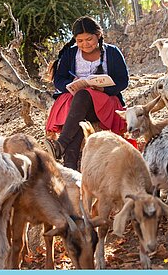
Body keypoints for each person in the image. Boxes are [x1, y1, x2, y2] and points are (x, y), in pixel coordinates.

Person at [45, 16, 129, 170]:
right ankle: (70, 167)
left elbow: (123, 81)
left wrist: (104, 89)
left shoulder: (112, 52)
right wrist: (70, 85)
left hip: (105, 103)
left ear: (98, 35)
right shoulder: (70, 54)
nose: (85, 44)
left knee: (83, 96)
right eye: (80, 41)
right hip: (76, 102)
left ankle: (61, 145)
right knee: (80, 103)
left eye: (89, 39)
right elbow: (59, 80)